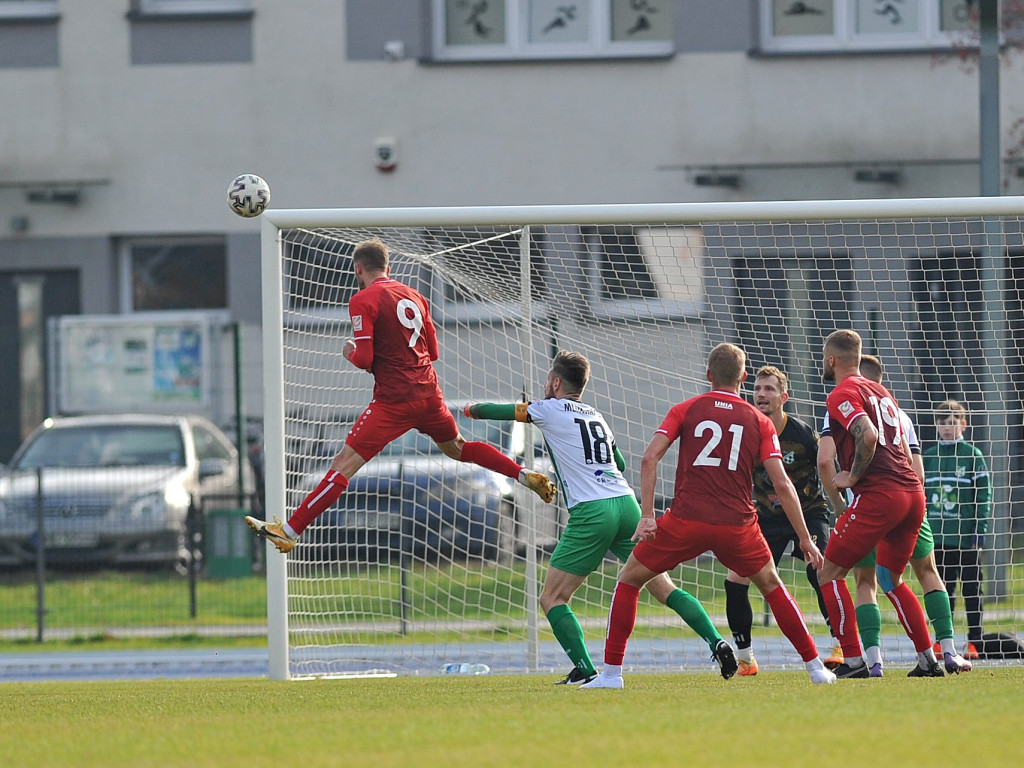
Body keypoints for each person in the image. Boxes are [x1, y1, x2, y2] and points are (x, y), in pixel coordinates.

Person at [245, 238, 557, 553]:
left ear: (358, 269)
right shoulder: (415, 296)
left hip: (394, 402)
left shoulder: (363, 299)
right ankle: (522, 474)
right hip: (429, 395)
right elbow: (433, 352)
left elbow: (365, 358)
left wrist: (349, 351)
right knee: (460, 448)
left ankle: (289, 530)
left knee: (343, 464)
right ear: (388, 267)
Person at [465, 351, 737, 684]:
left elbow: (495, 411)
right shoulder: (596, 415)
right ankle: (716, 641)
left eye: (548, 379)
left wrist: (469, 410)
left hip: (593, 511)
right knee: (663, 587)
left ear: (555, 382)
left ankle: (585, 670)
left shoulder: (547, 408)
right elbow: (619, 462)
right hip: (626, 504)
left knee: (552, 597)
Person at [582, 342, 837, 688]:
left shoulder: (685, 409)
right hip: (737, 525)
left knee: (629, 580)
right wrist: (805, 539)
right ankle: (816, 668)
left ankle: (612, 674)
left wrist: (648, 515)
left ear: (708, 375)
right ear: (743, 378)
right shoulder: (759, 422)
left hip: (686, 520)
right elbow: (782, 484)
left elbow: (648, 458)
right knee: (772, 586)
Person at [818, 355, 972, 677]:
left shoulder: (842, 399)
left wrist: (843, 494)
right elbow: (913, 461)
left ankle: (861, 660)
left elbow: (827, 459)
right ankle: (938, 655)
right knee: (909, 575)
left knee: (842, 576)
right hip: (911, 496)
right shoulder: (892, 405)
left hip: (871, 500)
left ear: (834, 360)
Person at [724, 365, 842, 676]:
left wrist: (843, 500)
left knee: (821, 571)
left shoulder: (802, 434)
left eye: (769, 389)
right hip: (766, 517)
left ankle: (840, 645)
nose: (761, 394)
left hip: (808, 511)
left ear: (783, 397)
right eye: (757, 388)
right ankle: (746, 659)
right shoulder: (746, 433)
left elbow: (828, 464)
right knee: (735, 579)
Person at [925, 398, 992, 661]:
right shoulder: (929, 457)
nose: (947, 427)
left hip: (966, 538)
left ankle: (975, 641)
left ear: (963, 424)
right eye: (943, 423)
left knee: (972, 590)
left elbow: (983, 496)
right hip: (937, 537)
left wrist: (979, 529)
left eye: (953, 422)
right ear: (936, 426)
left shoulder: (972, 455)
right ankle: (943, 640)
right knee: (942, 590)